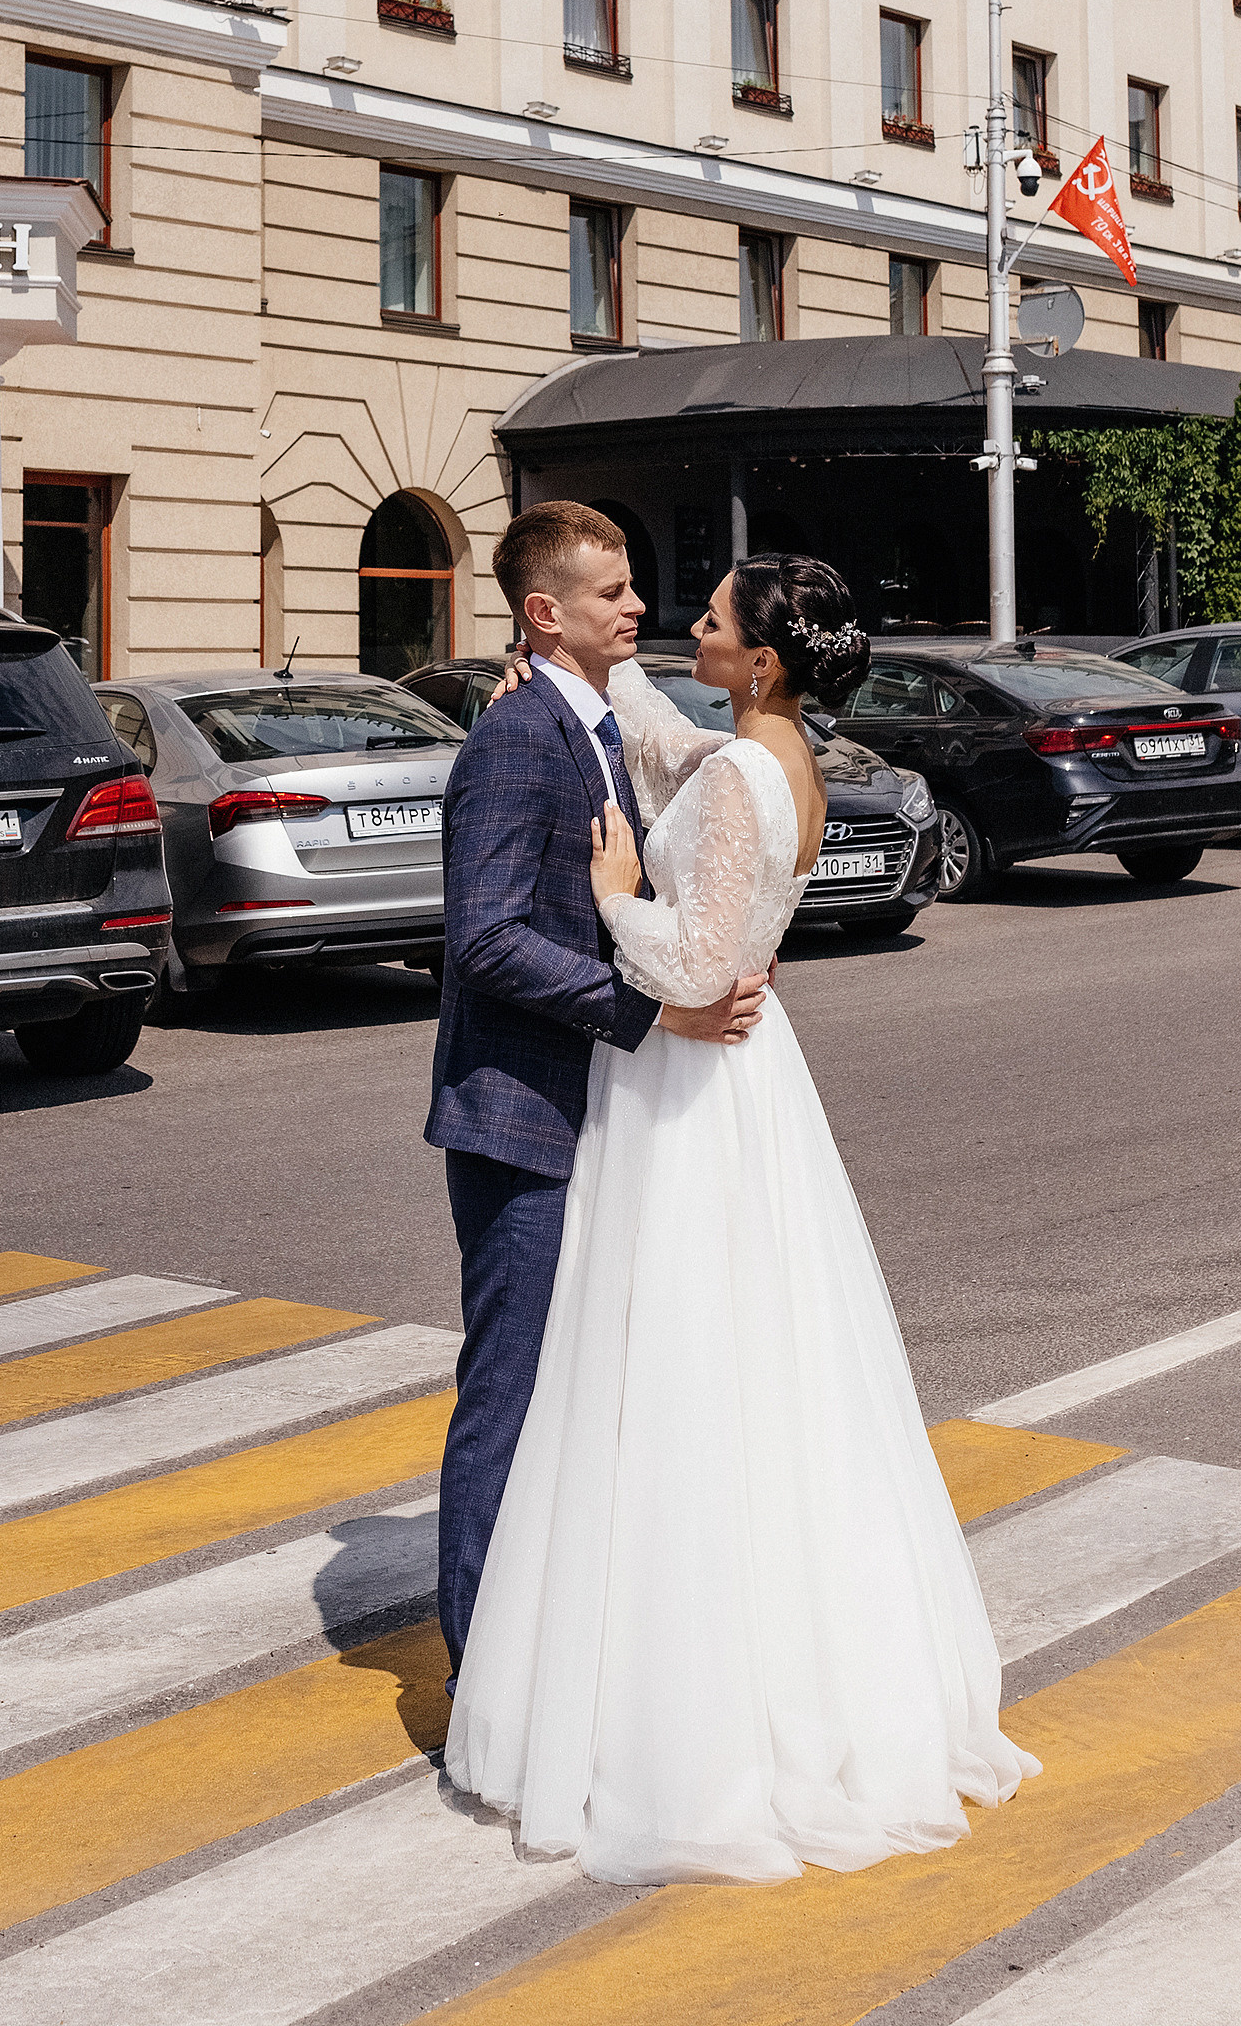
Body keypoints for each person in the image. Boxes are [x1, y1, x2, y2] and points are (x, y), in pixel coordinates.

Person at [444, 548, 1039, 1885]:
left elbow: (702, 964)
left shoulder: (736, 777)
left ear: (759, 660)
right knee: (766, 1383)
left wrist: (610, 901)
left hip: (696, 1080)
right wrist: (576, 675)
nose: (679, 628)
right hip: (752, 1089)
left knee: (677, 1382)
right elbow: (662, 741)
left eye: (706, 620)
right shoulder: (777, 761)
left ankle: (677, 1715)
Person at [427, 502, 771, 1688]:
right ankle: (479, 1668)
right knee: (509, 1392)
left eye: (635, 587)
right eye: (611, 593)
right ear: (543, 614)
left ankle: (538, 1645)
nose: (637, 606)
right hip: (519, 1114)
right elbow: (486, 940)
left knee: (566, 1392)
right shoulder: (521, 738)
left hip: (585, 1114)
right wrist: (650, 1012)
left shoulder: (582, 717)